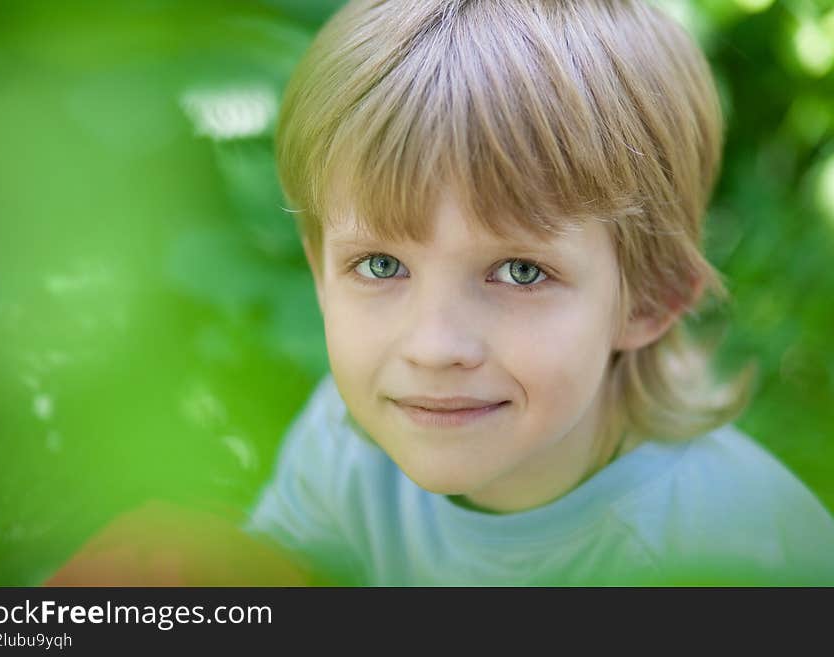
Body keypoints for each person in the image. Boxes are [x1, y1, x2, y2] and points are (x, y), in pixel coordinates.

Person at [239, 0, 834, 586]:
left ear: (651, 297)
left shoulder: (738, 551)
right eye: (379, 264)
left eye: (520, 271)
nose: (433, 347)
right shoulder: (343, 443)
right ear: (321, 274)